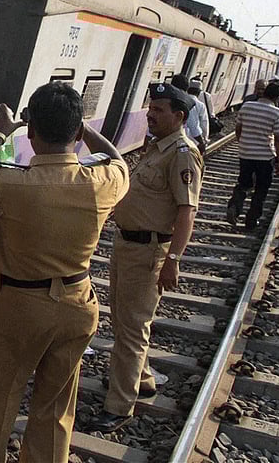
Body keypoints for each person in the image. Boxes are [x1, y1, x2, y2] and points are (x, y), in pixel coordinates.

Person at [0, 82, 128, 463]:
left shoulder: (10, 182)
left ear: (31, 131)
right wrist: (85, 131)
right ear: (78, 131)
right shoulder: (103, 182)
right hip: (77, 304)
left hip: (17, 307)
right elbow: (118, 159)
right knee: (55, 411)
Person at [86, 83, 202, 433]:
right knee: (124, 321)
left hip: (150, 250)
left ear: (179, 116)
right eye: (150, 108)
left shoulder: (182, 153)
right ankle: (143, 379)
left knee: (133, 327)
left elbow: (187, 211)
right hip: (129, 245)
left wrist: (174, 259)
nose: (150, 114)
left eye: (159, 110)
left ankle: (119, 407)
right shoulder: (157, 147)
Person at [225, 82, 279, 231]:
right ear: (277, 97)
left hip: (245, 154)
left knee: (243, 183)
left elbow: (238, 129)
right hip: (265, 157)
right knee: (261, 189)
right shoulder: (277, 113)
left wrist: (243, 144)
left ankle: (234, 206)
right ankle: (251, 220)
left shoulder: (247, 106)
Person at [172, 74, 206, 153]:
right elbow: (194, 126)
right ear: (186, 89)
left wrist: (145, 146)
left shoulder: (163, 101)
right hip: (179, 143)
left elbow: (150, 128)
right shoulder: (187, 103)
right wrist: (201, 142)